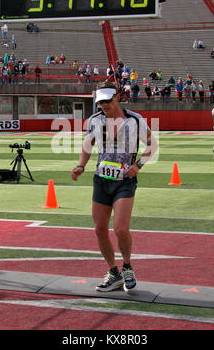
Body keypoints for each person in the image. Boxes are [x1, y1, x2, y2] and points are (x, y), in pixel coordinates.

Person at [71, 81, 157, 293]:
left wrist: (139, 165)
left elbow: (152, 145)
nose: (104, 105)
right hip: (101, 180)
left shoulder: (135, 120)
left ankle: (127, 266)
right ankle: (114, 273)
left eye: (108, 101)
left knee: (120, 229)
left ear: (117, 97)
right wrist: (81, 165)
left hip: (124, 182)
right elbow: (87, 146)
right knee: (100, 229)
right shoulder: (94, 120)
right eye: (101, 102)